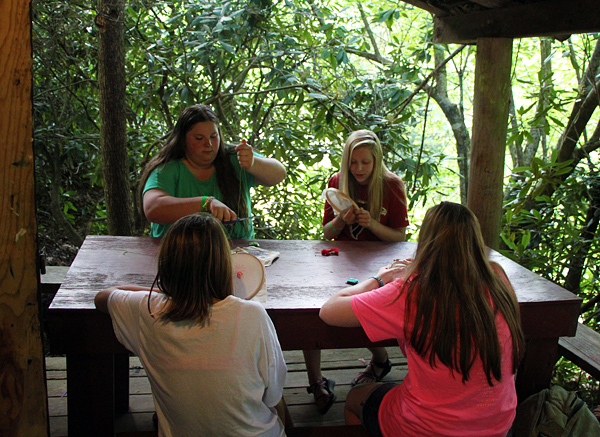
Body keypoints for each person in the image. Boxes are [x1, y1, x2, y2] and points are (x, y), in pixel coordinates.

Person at [319, 202, 525, 437]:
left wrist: (380, 278)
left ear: (427, 241)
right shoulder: (497, 277)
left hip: (428, 428)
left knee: (356, 397)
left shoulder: (415, 291)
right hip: (498, 425)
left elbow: (329, 310)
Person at [94, 214, 288, 436]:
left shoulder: (148, 311)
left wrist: (172, 296)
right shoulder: (252, 315)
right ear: (223, 264)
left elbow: (103, 297)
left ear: (167, 264)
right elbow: (273, 394)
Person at [304, 130, 410, 414]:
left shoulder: (392, 185)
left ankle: (380, 360)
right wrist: (341, 218)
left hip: (381, 266)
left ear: (376, 162)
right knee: (312, 311)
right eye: (354, 162)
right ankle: (316, 381)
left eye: (366, 162)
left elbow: (399, 237)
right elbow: (327, 233)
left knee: (365, 311)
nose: (359, 169)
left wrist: (372, 223)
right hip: (341, 263)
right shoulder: (337, 183)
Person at [140, 104, 286, 238]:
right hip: (179, 257)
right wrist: (206, 203)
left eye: (213, 137)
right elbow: (153, 208)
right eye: (199, 138)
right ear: (182, 140)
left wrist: (253, 164)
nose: (208, 144)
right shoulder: (167, 169)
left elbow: (279, 174)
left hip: (237, 255)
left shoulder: (234, 159)